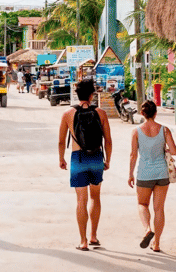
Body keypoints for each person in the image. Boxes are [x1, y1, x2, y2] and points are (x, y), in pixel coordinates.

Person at [58, 78, 113, 251]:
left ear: (77, 94)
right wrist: (107, 160)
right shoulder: (101, 113)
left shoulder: (67, 114)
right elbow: (108, 141)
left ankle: (83, 241)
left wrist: (61, 159)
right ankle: (94, 236)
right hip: (96, 157)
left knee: (81, 200)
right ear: (91, 95)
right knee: (95, 197)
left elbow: (61, 141)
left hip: (77, 158)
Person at [128, 100, 176, 253]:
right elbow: (174, 151)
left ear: (142, 113)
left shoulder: (136, 131)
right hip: (162, 173)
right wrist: (165, 150)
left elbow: (133, 155)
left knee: (142, 204)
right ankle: (156, 244)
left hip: (144, 173)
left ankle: (148, 229)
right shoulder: (164, 130)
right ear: (155, 113)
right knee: (159, 209)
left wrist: (130, 174)